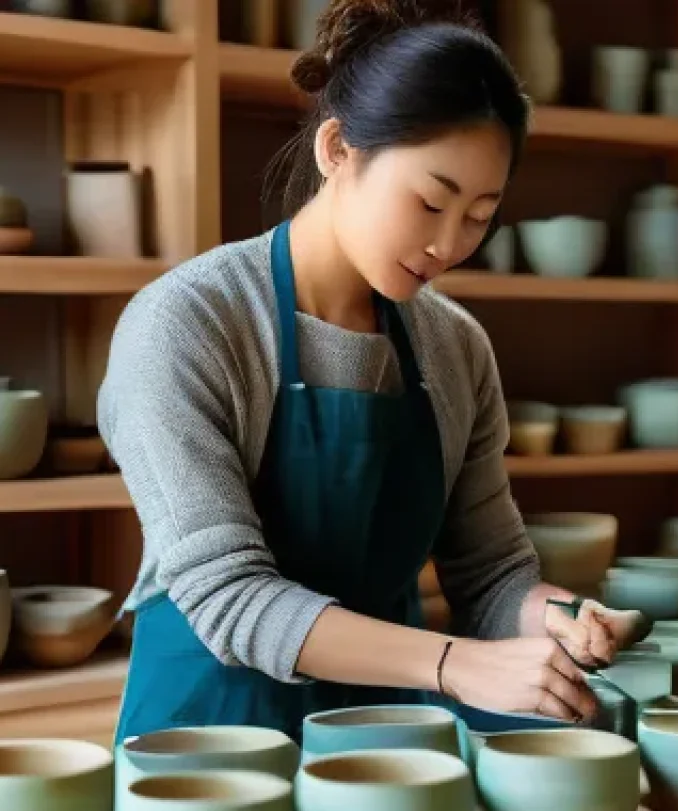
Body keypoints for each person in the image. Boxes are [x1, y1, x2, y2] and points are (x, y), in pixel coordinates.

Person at [98, 0, 645, 750]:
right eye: (429, 202)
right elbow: (228, 598)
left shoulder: (455, 348)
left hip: (390, 754)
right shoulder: (188, 324)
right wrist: (457, 663)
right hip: (208, 760)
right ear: (336, 150)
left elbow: (488, 575)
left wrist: (558, 617)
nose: (449, 245)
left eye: (480, 216)